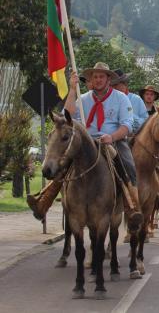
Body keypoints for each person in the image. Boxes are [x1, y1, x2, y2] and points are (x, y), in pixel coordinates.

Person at [27, 62, 143, 232]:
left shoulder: (121, 98)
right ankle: (44, 201)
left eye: (101, 76)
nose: (98, 80)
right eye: (95, 77)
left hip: (113, 141)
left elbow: (127, 125)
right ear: (91, 79)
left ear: (108, 79)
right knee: (63, 163)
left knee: (127, 165)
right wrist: (72, 90)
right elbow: (66, 118)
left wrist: (111, 137)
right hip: (86, 142)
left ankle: (132, 208)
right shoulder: (83, 99)